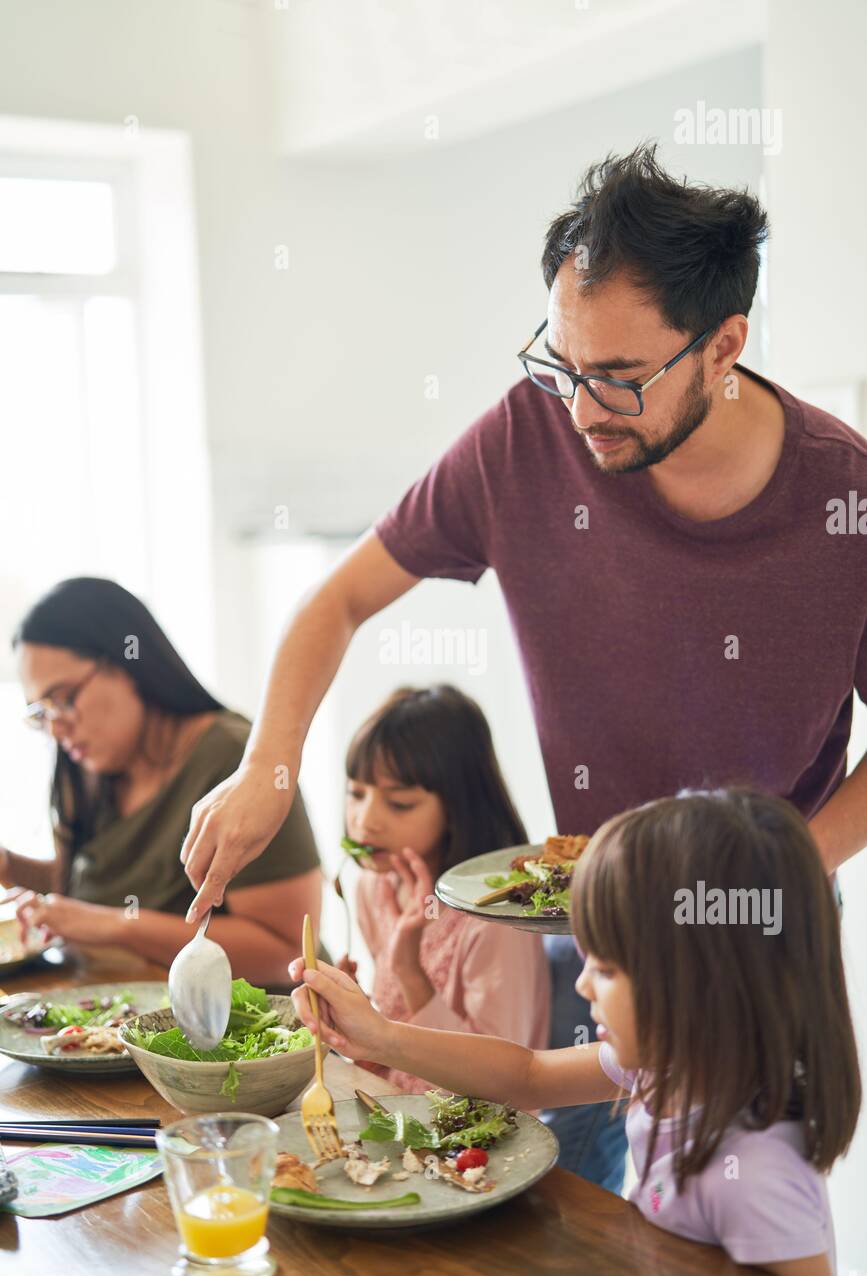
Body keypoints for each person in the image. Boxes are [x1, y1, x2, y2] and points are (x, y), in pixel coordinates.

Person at [180, 143, 867, 1193]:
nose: (583, 407)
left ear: (726, 344)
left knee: (740, 1236)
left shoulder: (844, 503)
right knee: (591, 1197)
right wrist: (269, 765)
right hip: (594, 924)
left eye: (622, 378)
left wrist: (778, 870)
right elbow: (341, 598)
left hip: (757, 947)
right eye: (563, 361)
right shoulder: (526, 439)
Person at [288, 788, 861, 1276]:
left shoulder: (755, 1176)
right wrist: (380, 1034)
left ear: (700, 985)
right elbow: (529, 1075)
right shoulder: (673, 1065)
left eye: (608, 969)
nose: (583, 983)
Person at [1, 577, 321, 982]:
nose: (57, 729)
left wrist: (118, 925)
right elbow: (86, 887)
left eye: (64, 698)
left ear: (128, 663)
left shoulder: (234, 762)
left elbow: (284, 952)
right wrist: (8, 866)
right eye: (41, 713)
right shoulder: (86, 767)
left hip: (246, 1031)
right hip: (115, 1014)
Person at [336, 685, 549, 1093]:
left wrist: (408, 973)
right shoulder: (372, 887)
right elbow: (389, 1055)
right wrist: (354, 1022)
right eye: (356, 794)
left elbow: (500, 1086)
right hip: (398, 1112)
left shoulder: (495, 920)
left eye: (399, 803)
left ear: (457, 806)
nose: (365, 821)